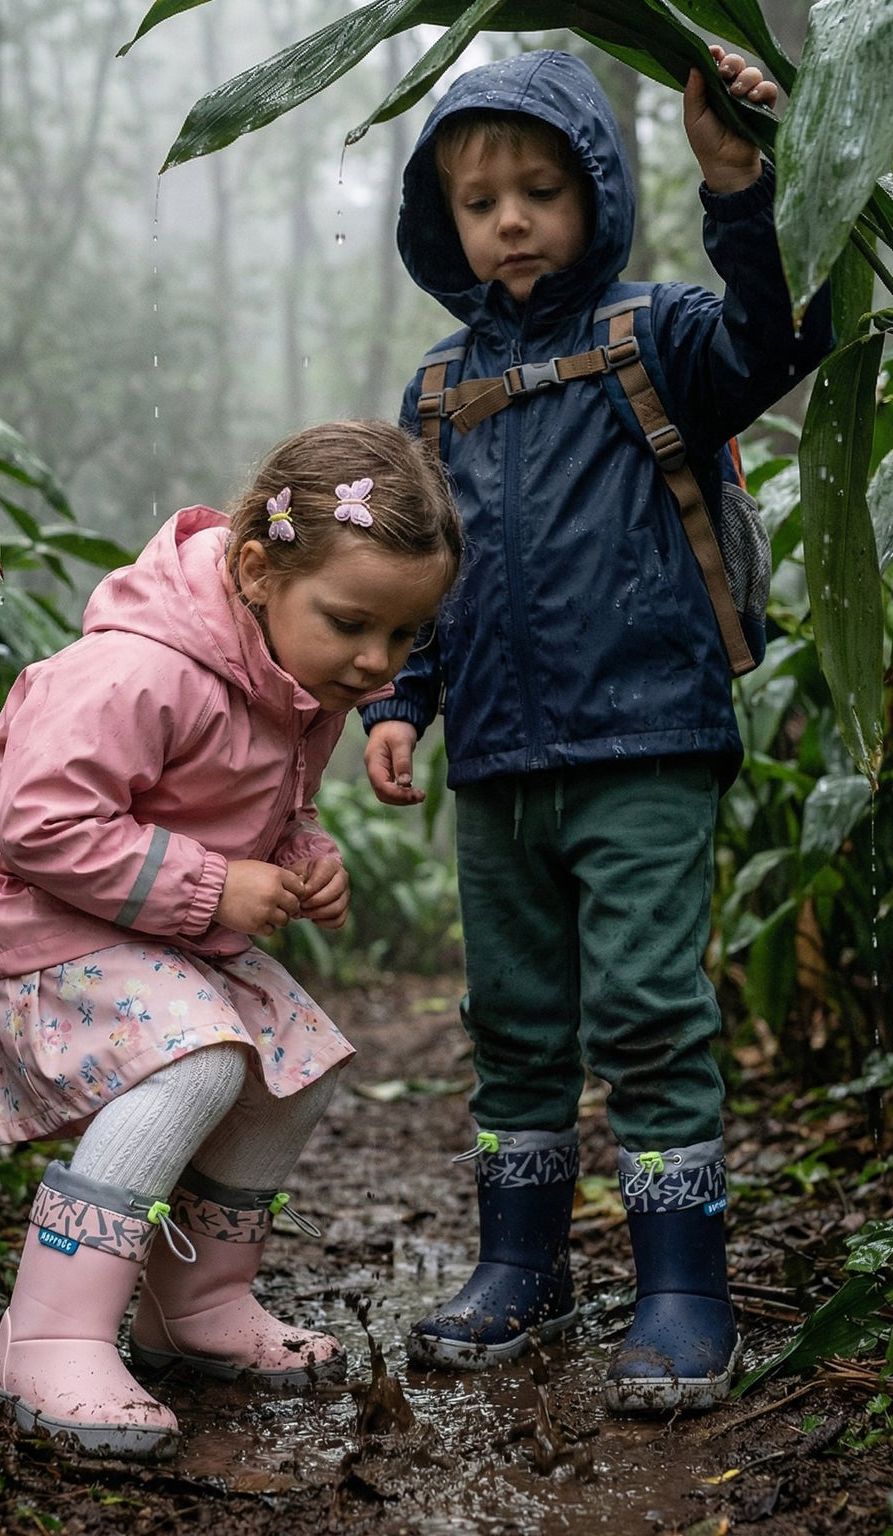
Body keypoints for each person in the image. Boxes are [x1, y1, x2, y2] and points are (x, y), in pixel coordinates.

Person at [362, 46, 833, 1412]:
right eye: (479, 200)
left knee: (642, 1007)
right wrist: (402, 703)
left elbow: (774, 338)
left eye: (541, 189)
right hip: (498, 762)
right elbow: (423, 576)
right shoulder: (438, 392)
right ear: (440, 223)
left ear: (597, 193)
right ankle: (524, 1264)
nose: (509, 219)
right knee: (513, 1021)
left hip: (645, 747)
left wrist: (736, 180)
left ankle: (683, 1285)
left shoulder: (657, 334)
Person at [0, 418, 462, 1460]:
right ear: (257, 568)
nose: (374, 661)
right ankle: (42, 1336)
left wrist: (304, 853)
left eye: (405, 639)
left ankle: (197, 1306)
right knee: (201, 1060)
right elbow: (37, 826)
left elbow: (262, 799)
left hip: (140, 908)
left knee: (294, 1065)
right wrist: (215, 886)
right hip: (26, 906)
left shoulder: (300, 670)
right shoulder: (137, 669)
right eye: (354, 624)